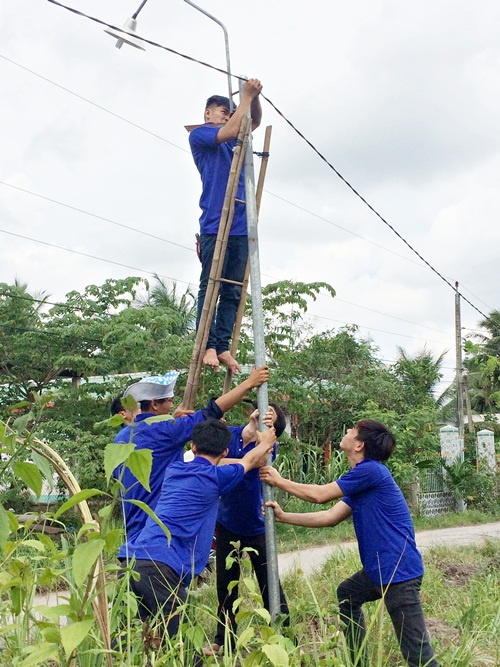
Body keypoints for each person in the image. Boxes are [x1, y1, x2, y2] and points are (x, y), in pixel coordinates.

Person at [260, 419, 439, 667]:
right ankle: (358, 660)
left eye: (352, 431)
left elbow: (319, 496)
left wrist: (278, 480)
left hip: (398, 573)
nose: (346, 432)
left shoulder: (371, 471)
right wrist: (284, 516)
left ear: (359, 445)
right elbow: (330, 517)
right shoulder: (362, 480)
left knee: (418, 655)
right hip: (380, 572)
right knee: (347, 594)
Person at [121, 419, 277, 645]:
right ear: (224, 451)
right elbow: (253, 460)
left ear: (193, 446)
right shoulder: (215, 477)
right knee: (179, 650)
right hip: (161, 567)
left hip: (130, 559)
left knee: (140, 642)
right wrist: (266, 440)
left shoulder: (173, 469)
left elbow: (246, 461)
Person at [114, 365, 269, 553]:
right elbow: (212, 411)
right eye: (169, 401)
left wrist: (173, 420)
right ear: (154, 404)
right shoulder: (167, 431)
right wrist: (249, 383)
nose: (172, 406)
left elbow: (154, 443)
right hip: (162, 530)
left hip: (133, 529)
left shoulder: (121, 438)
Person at [189, 78, 263, 375]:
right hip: (215, 223)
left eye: (230, 112)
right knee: (211, 288)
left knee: (233, 292)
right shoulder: (202, 135)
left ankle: (221, 347)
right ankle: (206, 344)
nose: (228, 116)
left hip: (241, 226)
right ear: (208, 113)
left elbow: (253, 120)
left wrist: (254, 97)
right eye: (223, 111)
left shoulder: (235, 137)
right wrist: (244, 98)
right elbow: (233, 127)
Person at [204, 404, 290, 657]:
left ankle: (284, 636)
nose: (261, 417)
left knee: (269, 584)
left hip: (257, 526)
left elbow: (258, 460)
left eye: (269, 419)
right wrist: (244, 454)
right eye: (262, 411)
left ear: (273, 432)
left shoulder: (267, 446)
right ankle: (224, 639)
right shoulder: (229, 434)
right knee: (226, 586)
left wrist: (236, 457)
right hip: (227, 523)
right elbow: (209, 460)